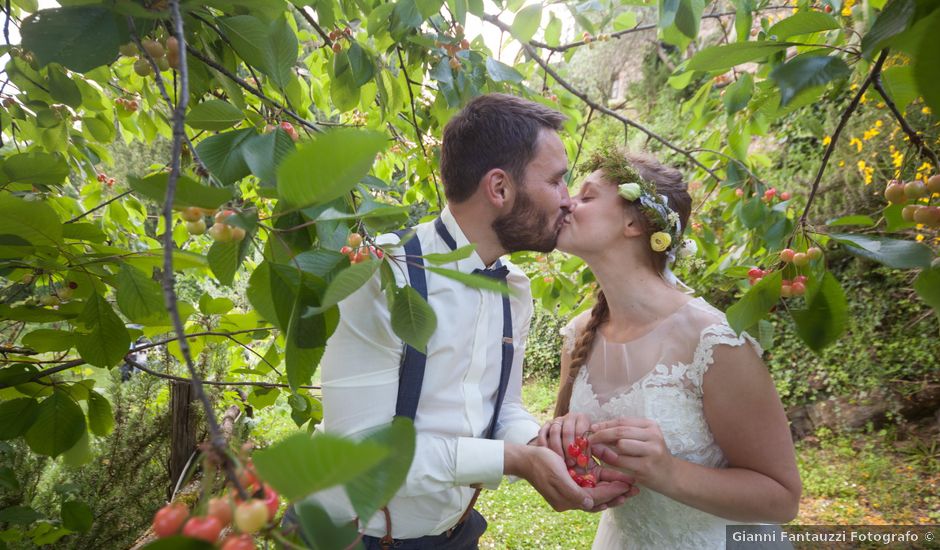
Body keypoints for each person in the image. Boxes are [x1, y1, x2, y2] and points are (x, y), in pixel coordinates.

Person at [302, 94, 635, 549]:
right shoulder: (381, 274)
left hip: (455, 534)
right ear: (499, 188)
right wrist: (514, 461)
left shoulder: (513, 287)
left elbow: (502, 409)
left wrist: (545, 446)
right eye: (557, 181)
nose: (568, 200)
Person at [540, 146, 801, 549]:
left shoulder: (714, 341)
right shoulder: (578, 335)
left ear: (634, 222)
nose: (565, 203)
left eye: (586, 196)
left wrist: (668, 472)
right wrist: (570, 455)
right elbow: (582, 471)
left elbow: (782, 498)